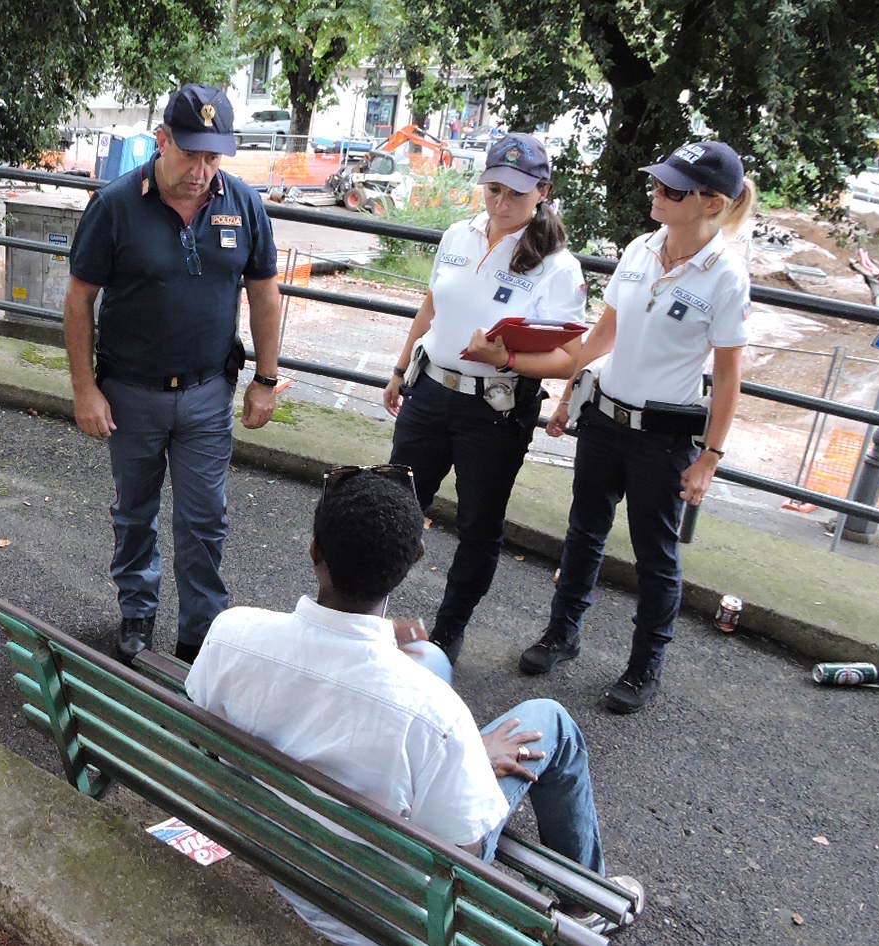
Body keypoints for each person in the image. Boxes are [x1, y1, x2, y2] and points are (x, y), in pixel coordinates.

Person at [186, 467, 630, 946]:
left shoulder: (233, 632)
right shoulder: (438, 717)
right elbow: (464, 851)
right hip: (381, 907)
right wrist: (473, 758)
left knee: (429, 658)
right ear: (413, 560)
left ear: (314, 549)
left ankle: (442, 770)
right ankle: (584, 906)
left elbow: (202, 729)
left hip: (271, 840)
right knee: (551, 720)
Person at [518, 141, 754, 714]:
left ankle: (644, 665)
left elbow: (727, 378)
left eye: (673, 189)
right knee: (584, 532)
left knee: (657, 556)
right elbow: (605, 333)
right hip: (605, 418)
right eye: (658, 182)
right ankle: (562, 634)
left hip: (664, 436)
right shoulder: (640, 249)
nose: (657, 193)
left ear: (712, 203)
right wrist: (569, 396)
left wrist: (710, 457)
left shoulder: (725, 276)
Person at [64, 84, 282, 666]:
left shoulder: (243, 203)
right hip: (130, 392)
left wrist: (265, 378)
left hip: (209, 391)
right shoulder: (114, 205)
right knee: (133, 511)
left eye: (213, 157)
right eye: (191, 154)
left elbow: (264, 294)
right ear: (162, 141)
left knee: (204, 518)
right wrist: (85, 389)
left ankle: (200, 629)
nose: (201, 170)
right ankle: (137, 610)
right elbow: (79, 299)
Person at [382, 134, 586, 665]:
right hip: (430, 392)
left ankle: (449, 630)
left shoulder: (556, 266)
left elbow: (570, 357)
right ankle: (366, 609)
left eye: (515, 194)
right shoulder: (458, 233)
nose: (500, 203)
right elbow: (431, 308)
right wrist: (401, 368)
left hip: (493, 409)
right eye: (493, 189)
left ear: (542, 191)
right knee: (397, 504)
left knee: (478, 522)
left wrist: (507, 361)